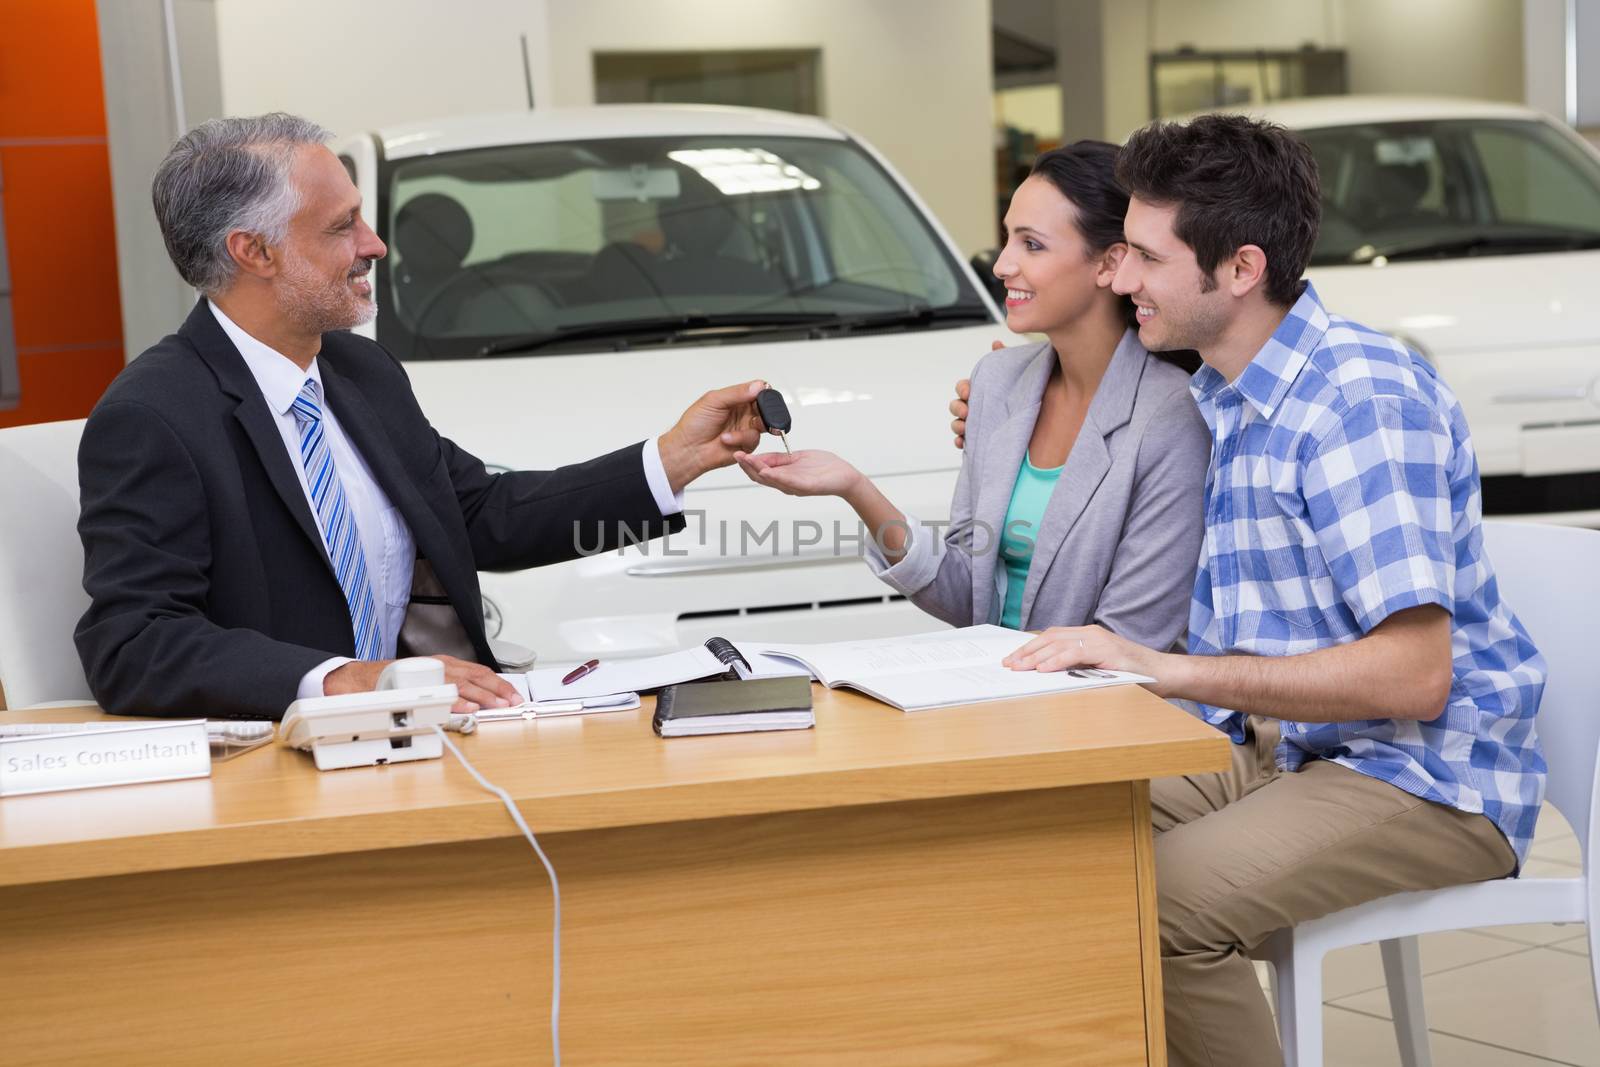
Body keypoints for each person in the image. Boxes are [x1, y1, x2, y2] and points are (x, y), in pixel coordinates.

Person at [961, 115, 1544, 1067]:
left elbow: (1414, 676)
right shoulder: (1231, 389)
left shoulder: (1356, 400)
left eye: (1144, 257)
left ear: (1238, 268)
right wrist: (996, 401)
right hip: (1285, 751)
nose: (1118, 277)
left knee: (1161, 904)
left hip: (1424, 776)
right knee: (1035, 829)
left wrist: (1161, 666)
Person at [75, 113, 772, 720]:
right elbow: (133, 642)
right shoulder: (153, 415)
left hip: (432, 737)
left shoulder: (361, 373)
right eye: (344, 225)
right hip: (281, 772)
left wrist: (673, 458)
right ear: (254, 252)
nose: (374, 245)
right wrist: (346, 680)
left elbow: (476, 515)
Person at [736, 141, 1209, 649]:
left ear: (1109, 264)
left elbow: (1129, 644)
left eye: (1032, 245)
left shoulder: (1170, 416)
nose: (1002, 265)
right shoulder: (998, 382)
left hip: (1107, 714)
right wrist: (855, 487)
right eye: (1007, 239)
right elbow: (967, 597)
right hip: (1005, 700)